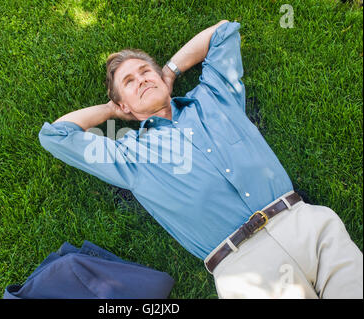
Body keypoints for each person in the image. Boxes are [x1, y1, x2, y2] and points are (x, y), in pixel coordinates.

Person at [38, 20, 363, 298]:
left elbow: (223, 31)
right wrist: (112, 110)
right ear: (124, 107)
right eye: (129, 82)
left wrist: (169, 71)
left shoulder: (214, 96)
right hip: (244, 268)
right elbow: (55, 136)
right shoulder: (129, 155)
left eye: (144, 71)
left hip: (305, 225)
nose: (142, 80)